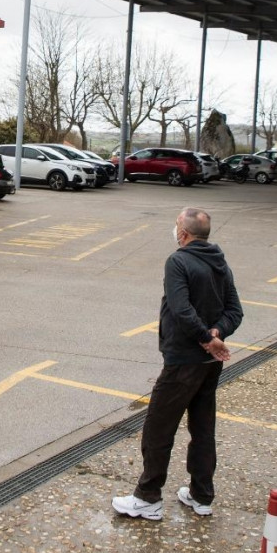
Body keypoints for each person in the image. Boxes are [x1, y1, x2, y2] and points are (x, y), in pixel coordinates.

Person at [112, 207, 243, 521]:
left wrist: (207, 337)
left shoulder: (178, 261)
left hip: (184, 361)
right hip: (209, 362)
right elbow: (234, 311)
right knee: (202, 427)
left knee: (158, 427)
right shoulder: (219, 261)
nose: (174, 230)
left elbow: (181, 309)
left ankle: (147, 497)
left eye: (175, 225)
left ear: (183, 233)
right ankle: (201, 494)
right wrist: (216, 334)